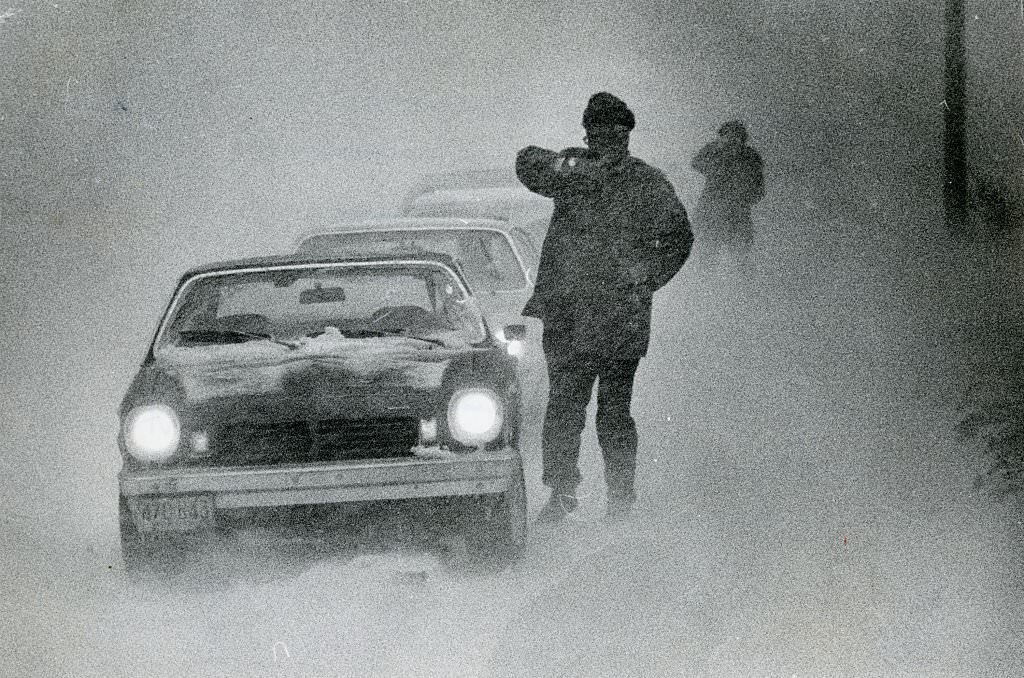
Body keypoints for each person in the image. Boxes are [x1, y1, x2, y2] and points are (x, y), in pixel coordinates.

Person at [515, 92, 693, 522]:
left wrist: (645, 275)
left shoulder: (646, 182)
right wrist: (571, 165)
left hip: (617, 317)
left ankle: (619, 498)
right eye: (597, 131)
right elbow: (526, 162)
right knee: (565, 410)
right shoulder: (573, 171)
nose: (605, 140)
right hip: (572, 315)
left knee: (609, 414)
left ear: (627, 134)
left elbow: (680, 238)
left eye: (612, 132)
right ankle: (563, 493)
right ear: (587, 134)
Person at [690, 120, 764, 263]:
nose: (732, 140)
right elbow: (696, 163)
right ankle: (706, 283)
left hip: (735, 214)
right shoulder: (714, 151)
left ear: (742, 139)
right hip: (712, 212)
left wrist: (743, 199)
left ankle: (743, 285)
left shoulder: (750, 157)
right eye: (727, 135)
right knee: (707, 256)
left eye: (736, 136)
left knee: (740, 257)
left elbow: (759, 189)